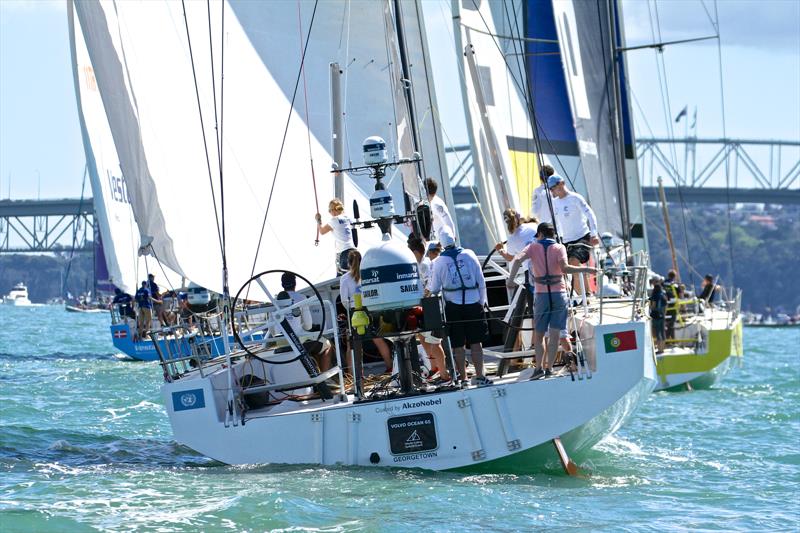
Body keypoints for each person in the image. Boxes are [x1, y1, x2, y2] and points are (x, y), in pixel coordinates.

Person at [507, 222, 598, 379]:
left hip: (541, 294)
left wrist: (511, 280)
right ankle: (549, 369)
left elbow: (516, 260)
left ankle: (538, 369)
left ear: (540, 234)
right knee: (555, 334)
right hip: (558, 294)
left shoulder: (532, 247)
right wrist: (587, 269)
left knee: (539, 334)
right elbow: (565, 268)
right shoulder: (559, 248)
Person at [427, 229, 491, 387]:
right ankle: (480, 375)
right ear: (455, 239)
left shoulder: (439, 262)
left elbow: (434, 288)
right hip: (474, 302)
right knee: (476, 343)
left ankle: (463, 379)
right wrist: (482, 302)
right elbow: (481, 281)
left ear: (441, 244)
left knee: (458, 345)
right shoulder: (470, 254)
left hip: (453, 307)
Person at [338, 251, 393, 372]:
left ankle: (354, 375)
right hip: (370, 310)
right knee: (378, 340)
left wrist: (350, 311)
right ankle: (390, 367)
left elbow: (344, 300)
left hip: (355, 311)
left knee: (353, 344)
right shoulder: (369, 274)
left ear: (348, 262)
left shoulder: (345, 278)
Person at [408, 236, 451, 383]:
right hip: (424, 307)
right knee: (423, 337)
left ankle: (444, 374)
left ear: (415, 251)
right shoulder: (418, 264)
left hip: (432, 307)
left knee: (434, 343)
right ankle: (435, 367)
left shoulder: (426, 265)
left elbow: (431, 286)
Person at [547, 175, 600, 294]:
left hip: (582, 236)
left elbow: (590, 215)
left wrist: (594, 234)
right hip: (566, 240)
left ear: (561, 184)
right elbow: (554, 222)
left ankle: (585, 295)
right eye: (550, 189)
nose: (551, 191)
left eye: (553, 188)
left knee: (573, 262)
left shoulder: (575, 198)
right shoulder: (555, 203)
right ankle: (583, 296)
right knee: (566, 268)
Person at [494, 208, 538, 352]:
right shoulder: (533, 227)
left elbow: (511, 258)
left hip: (530, 274)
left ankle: (534, 343)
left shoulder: (512, 239)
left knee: (533, 311)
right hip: (544, 268)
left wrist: (500, 250)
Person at [316, 198, 356, 275]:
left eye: (330, 210)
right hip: (354, 250)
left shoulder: (334, 220)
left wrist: (318, 221)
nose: (330, 212)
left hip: (344, 253)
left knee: (342, 278)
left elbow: (322, 231)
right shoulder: (348, 219)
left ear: (335, 210)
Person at [425, 177, 456, 243]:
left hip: (441, 243)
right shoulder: (426, 202)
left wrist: (452, 239)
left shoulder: (437, 205)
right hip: (432, 242)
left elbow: (448, 222)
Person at [649, 278, 668, 354]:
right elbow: (666, 307)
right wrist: (664, 314)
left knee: (657, 333)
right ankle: (662, 348)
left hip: (655, 316)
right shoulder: (663, 296)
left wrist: (649, 307)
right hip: (662, 316)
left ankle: (659, 349)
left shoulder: (655, 296)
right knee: (662, 333)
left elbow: (653, 306)